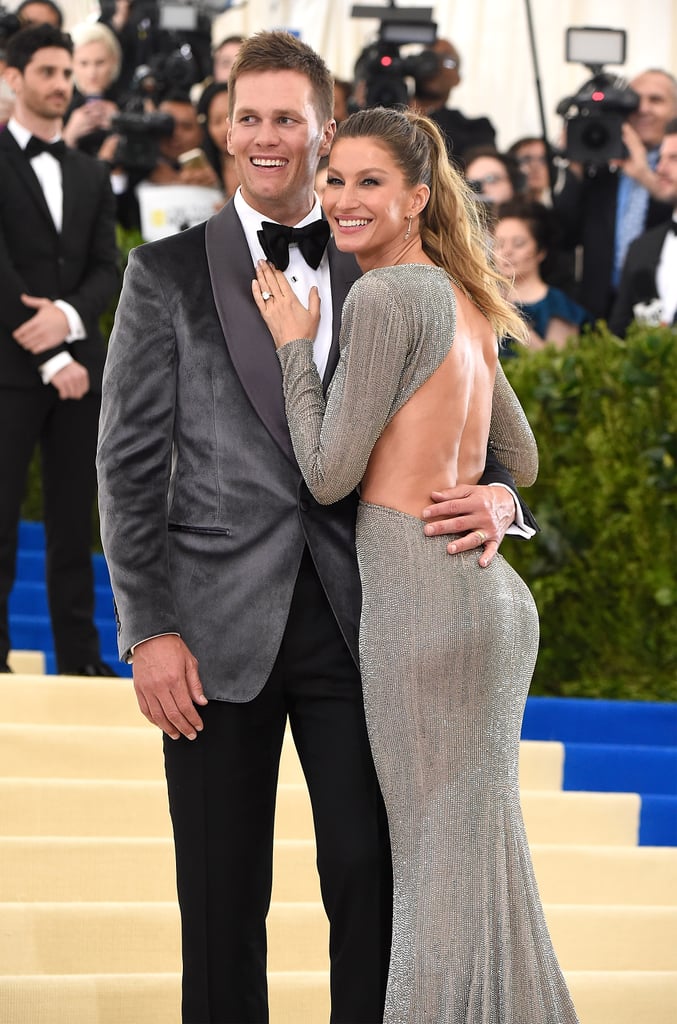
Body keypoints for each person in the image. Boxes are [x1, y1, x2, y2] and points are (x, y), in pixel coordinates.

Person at [96, 30, 536, 1024]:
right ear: (221, 126)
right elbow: (124, 473)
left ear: (321, 127)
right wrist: (148, 630)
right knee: (218, 907)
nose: (264, 136)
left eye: (285, 117)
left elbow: (502, 442)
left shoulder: (388, 265)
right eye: (246, 116)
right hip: (209, 637)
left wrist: (504, 504)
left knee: (371, 886)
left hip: (368, 625)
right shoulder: (161, 274)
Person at [253, 103, 578, 1023]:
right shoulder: (465, 297)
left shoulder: (389, 295)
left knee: (434, 864)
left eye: (368, 182)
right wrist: (502, 502)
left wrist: (291, 350)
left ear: (416, 197)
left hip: (420, 597)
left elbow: (327, 475)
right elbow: (521, 459)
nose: (343, 199)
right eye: (333, 178)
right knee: (476, 855)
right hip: (490, 600)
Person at [0, 23, 119, 676]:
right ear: (12, 77)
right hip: (12, 368)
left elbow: (107, 265)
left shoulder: (91, 172)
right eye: (47, 72)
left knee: (75, 523)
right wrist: (49, 354)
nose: (60, 85)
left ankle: (78, 659)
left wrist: (69, 318)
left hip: (82, 368)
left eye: (67, 73)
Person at [554, 68, 677, 320]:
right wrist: (575, 164)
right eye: (634, 100)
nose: (643, 108)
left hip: (659, 309)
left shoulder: (670, 169)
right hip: (598, 309)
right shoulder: (602, 170)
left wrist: (646, 176)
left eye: (656, 100)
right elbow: (563, 235)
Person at [493, 199, 593, 350]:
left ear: (541, 251)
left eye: (518, 243)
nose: (507, 252)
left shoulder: (559, 306)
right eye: (499, 244)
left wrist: (515, 321)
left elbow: (556, 367)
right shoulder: (485, 296)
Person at [609, 118, 677, 335]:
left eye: (674, 158)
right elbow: (619, 333)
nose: (660, 168)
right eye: (660, 158)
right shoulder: (641, 248)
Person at [411, 37, 496, 167]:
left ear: (457, 79)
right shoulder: (382, 109)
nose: (436, 66)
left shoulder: (476, 131)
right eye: (429, 58)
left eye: (448, 61)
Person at [62, 22, 122, 159]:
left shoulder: (130, 102)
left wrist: (121, 125)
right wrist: (69, 135)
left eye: (100, 63)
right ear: (71, 64)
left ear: (114, 61)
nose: (92, 73)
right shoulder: (59, 104)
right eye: (84, 63)